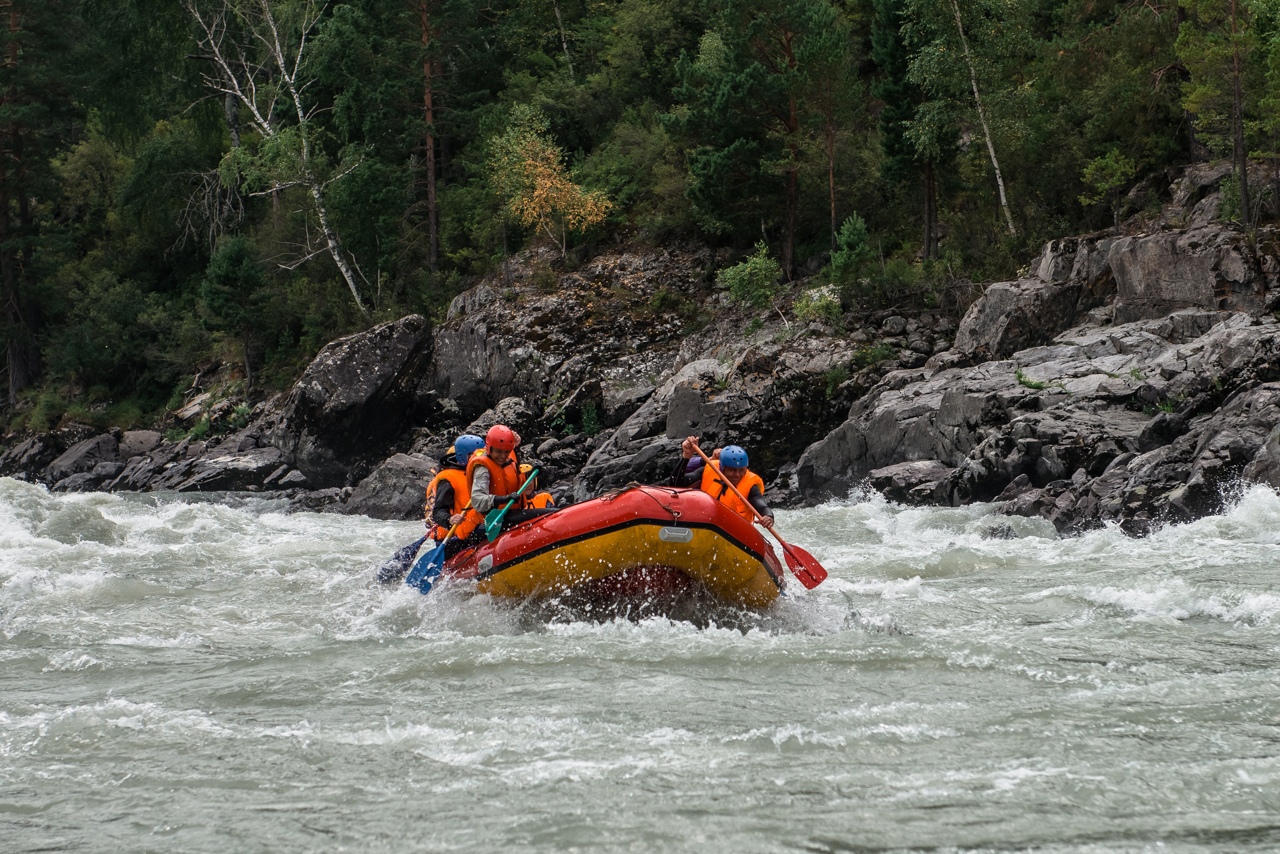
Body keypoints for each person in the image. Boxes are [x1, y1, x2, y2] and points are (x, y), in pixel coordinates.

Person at [672, 436, 774, 528]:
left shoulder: (750, 485)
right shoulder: (710, 469)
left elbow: (762, 506)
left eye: (741, 470)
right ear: (722, 468)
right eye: (732, 470)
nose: (737, 475)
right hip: (706, 523)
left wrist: (768, 517)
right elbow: (676, 483)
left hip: (735, 530)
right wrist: (686, 457)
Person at [424, 434, 484, 541]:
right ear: (462, 456)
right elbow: (437, 512)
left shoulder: (482, 470)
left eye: (483, 454)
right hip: (455, 533)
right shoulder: (447, 479)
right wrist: (450, 519)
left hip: (478, 523)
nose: (481, 458)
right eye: (476, 454)